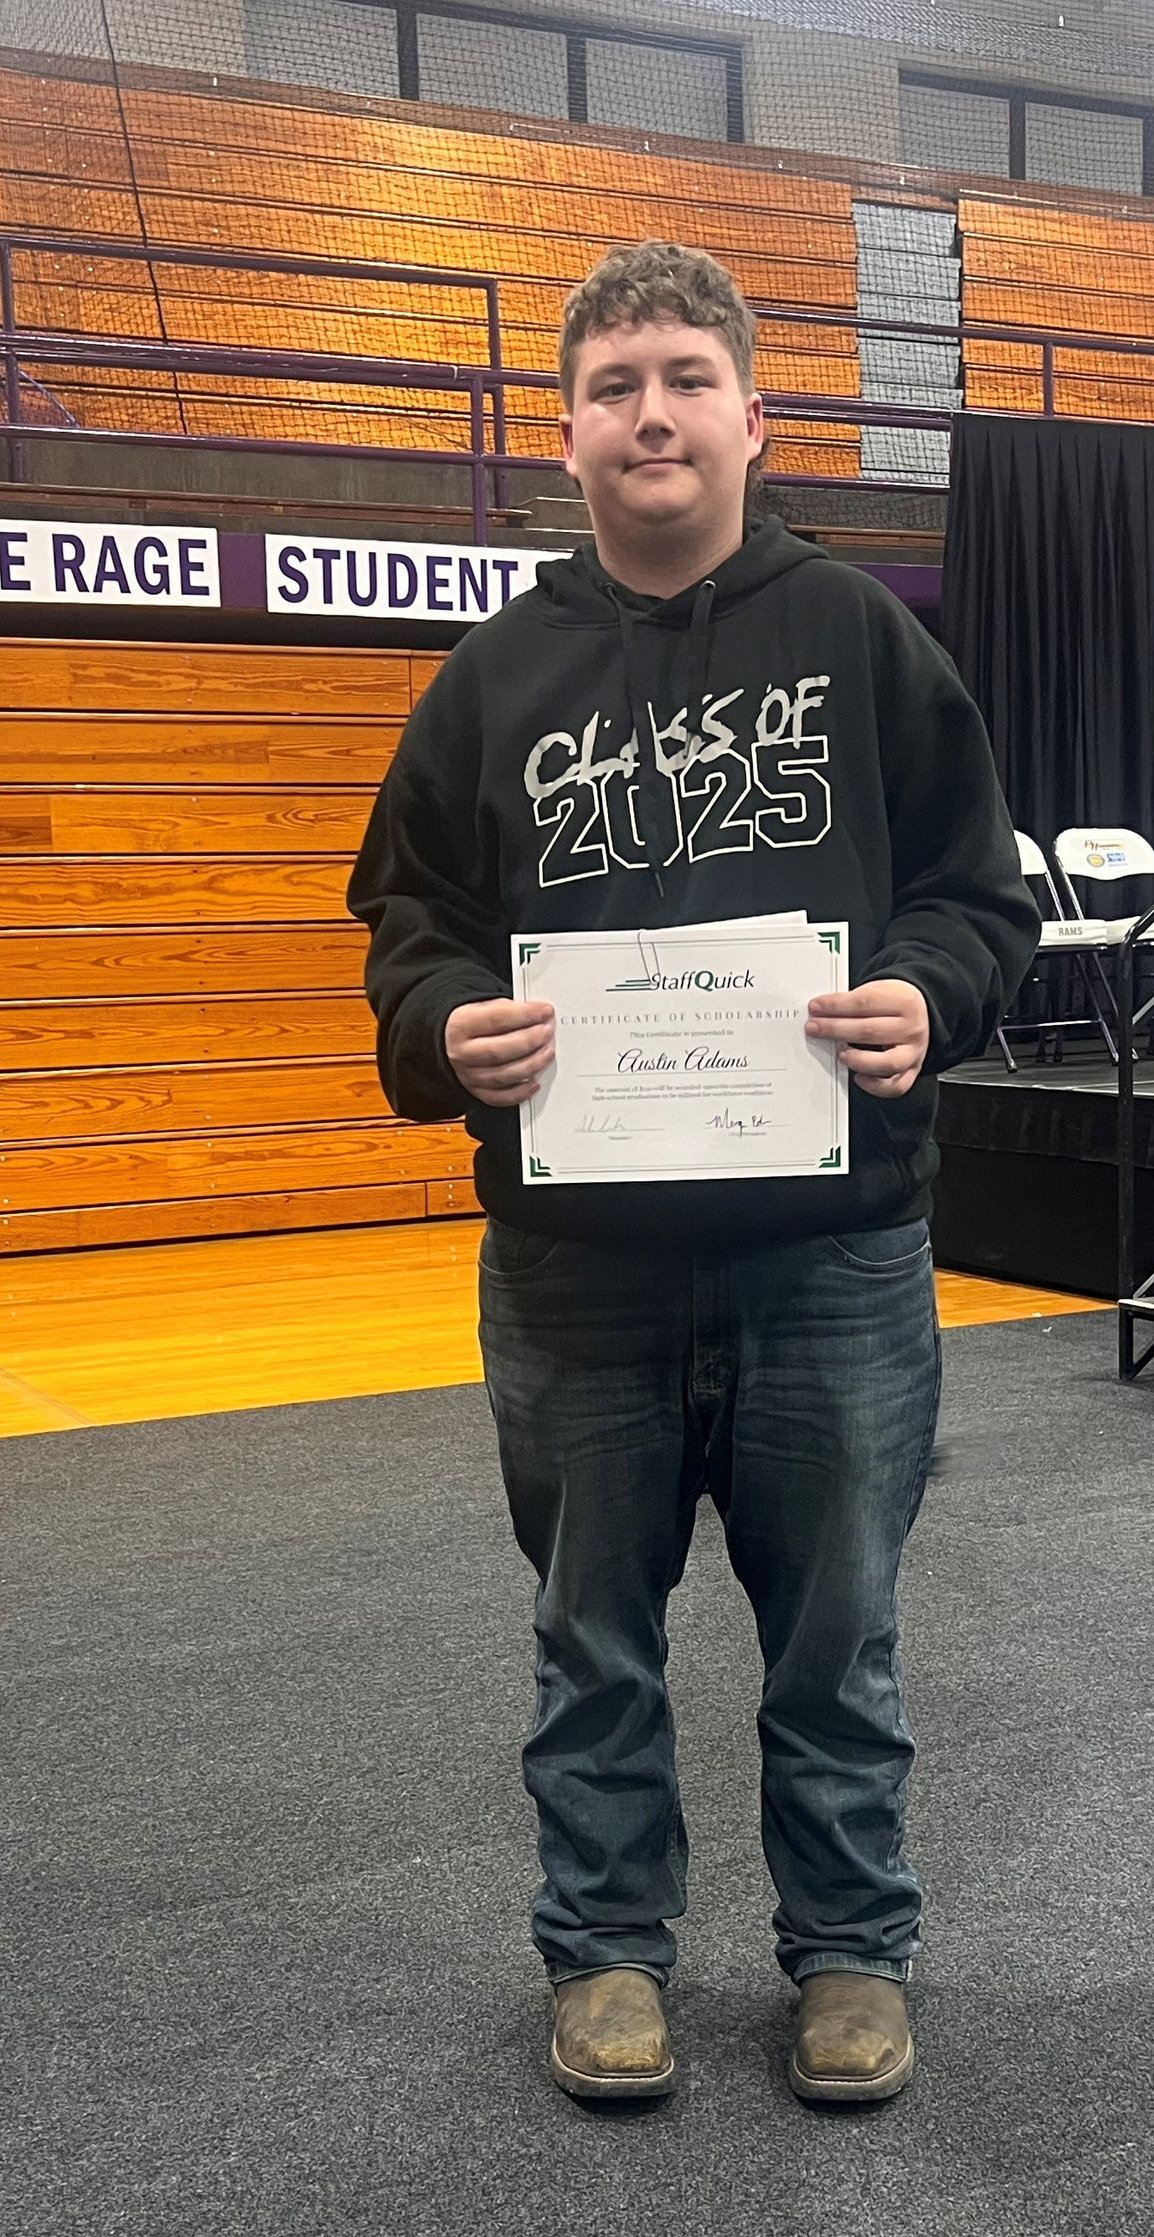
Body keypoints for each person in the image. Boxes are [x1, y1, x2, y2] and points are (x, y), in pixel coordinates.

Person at [349, 239, 1038, 2107]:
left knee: (842, 1639)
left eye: (681, 377)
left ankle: (849, 1957)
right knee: (592, 1641)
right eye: (610, 387)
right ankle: (608, 1958)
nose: (648, 414)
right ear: (561, 436)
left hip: (836, 1252)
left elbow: (984, 896)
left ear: (751, 413)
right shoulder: (492, 682)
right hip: (580, 1270)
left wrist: (928, 999)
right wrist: (444, 1037)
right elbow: (410, 929)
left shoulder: (866, 639)